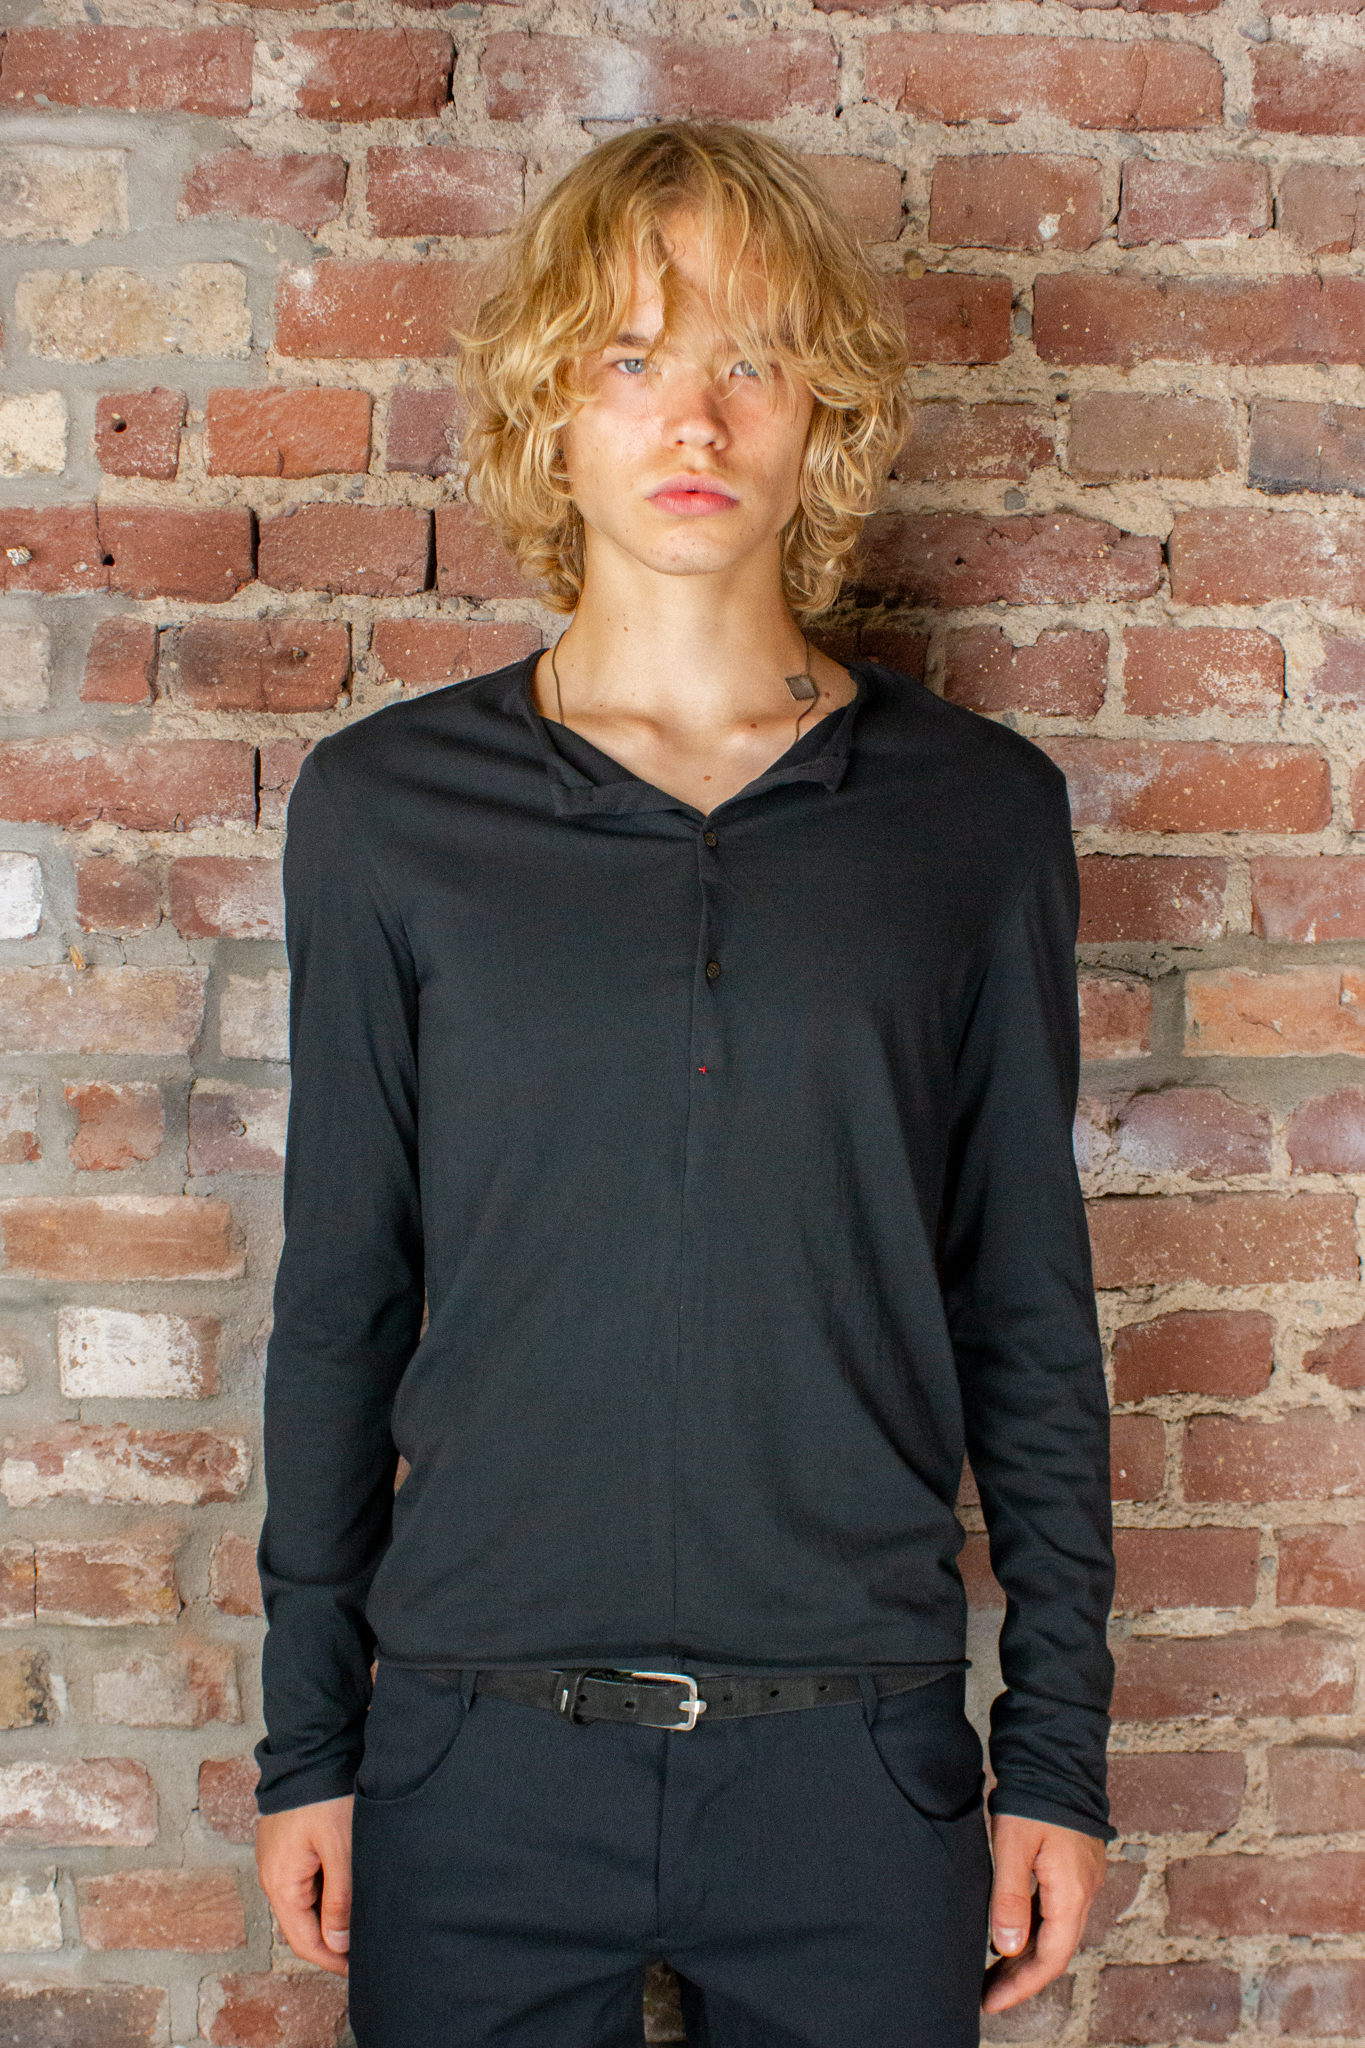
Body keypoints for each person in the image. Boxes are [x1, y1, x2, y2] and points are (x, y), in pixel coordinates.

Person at [252, 119, 1114, 2048]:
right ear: (548, 412)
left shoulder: (974, 817)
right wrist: (310, 1737)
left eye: (749, 359)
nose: (692, 418)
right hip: (473, 1755)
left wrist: (1053, 1752)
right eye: (629, 358)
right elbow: (341, 1300)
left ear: (826, 414)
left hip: (858, 1766)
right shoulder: (389, 812)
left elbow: (1027, 1312)